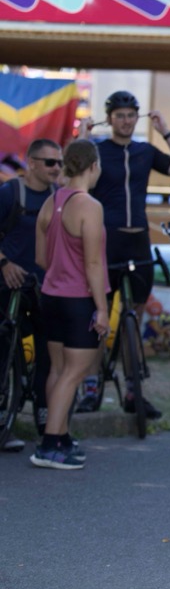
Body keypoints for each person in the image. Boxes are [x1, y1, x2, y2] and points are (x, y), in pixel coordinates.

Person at [78, 90, 170, 417]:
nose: (126, 121)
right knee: (98, 318)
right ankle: (91, 386)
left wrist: (165, 131)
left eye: (131, 115)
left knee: (135, 318)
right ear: (109, 119)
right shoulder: (98, 151)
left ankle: (133, 390)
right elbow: (72, 174)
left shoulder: (145, 151)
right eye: (120, 116)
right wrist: (83, 137)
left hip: (138, 241)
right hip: (107, 240)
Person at [31, 140, 109, 470]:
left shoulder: (51, 201)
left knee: (58, 370)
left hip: (51, 295)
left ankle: (60, 435)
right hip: (78, 300)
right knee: (73, 373)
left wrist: (62, 271)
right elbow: (93, 264)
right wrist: (102, 308)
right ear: (93, 166)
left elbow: (40, 258)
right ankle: (50, 445)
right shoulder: (89, 205)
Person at [0, 139, 61, 450]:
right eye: (50, 162)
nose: (56, 168)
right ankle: (3, 418)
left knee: (49, 350)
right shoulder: (9, 193)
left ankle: (44, 412)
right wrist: (4, 263)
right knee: (3, 348)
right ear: (32, 163)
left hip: (45, 287)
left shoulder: (59, 197)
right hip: (8, 284)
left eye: (59, 163)